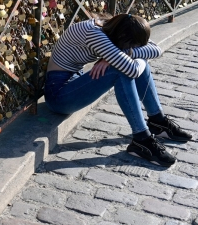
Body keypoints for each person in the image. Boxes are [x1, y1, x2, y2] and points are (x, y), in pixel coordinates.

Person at [44, 13, 192, 167]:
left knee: (131, 64)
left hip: (75, 81)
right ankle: (142, 139)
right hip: (59, 94)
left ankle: (158, 121)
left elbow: (156, 49)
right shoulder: (95, 35)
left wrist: (128, 53)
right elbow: (133, 70)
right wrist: (127, 57)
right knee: (121, 71)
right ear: (122, 37)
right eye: (130, 45)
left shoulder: (113, 26)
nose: (131, 48)